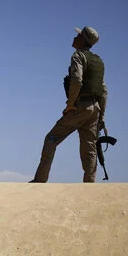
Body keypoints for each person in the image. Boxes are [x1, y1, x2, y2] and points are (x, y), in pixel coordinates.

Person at [31, 27, 107, 183]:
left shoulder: (78, 56)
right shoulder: (98, 61)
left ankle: (40, 180)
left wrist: (70, 104)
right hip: (95, 110)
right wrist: (102, 117)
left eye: (78, 35)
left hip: (80, 107)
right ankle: (89, 186)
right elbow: (104, 91)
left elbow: (77, 80)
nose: (75, 36)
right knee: (89, 150)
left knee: (51, 139)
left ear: (83, 39)